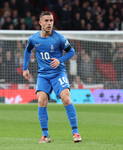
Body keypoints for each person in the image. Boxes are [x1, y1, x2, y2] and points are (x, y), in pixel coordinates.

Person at [23, 11, 82, 143]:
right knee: (41, 101)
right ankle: (45, 136)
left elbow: (71, 51)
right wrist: (25, 68)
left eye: (51, 20)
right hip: (43, 75)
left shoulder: (59, 38)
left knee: (66, 99)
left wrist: (59, 60)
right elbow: (27, 50)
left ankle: (76, 133)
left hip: (58, 73)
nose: (49, 23)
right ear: (40, 23)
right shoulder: (34, 39)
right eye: (46, 21)